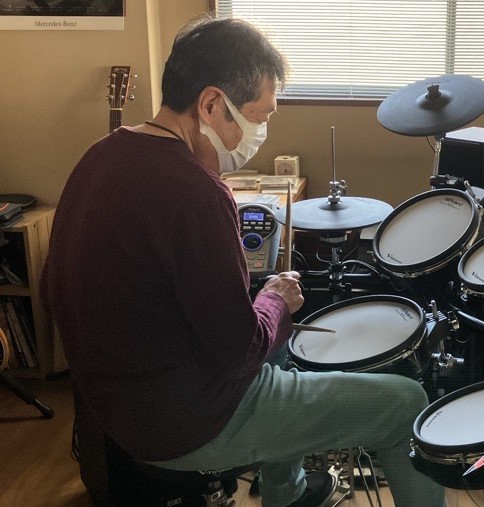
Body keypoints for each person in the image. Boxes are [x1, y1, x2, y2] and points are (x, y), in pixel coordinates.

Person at [41, 15, 445, 507]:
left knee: (278, 337)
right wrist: (275, 299)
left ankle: (289, 493)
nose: (260, 132)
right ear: (212, 104)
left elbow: (50, 291)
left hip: (116, 412)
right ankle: (289, 487)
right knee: (406, 403)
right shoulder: (198, 194)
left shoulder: (98, 157)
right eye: (259, 116)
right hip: (189, 423)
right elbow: (239, 352)